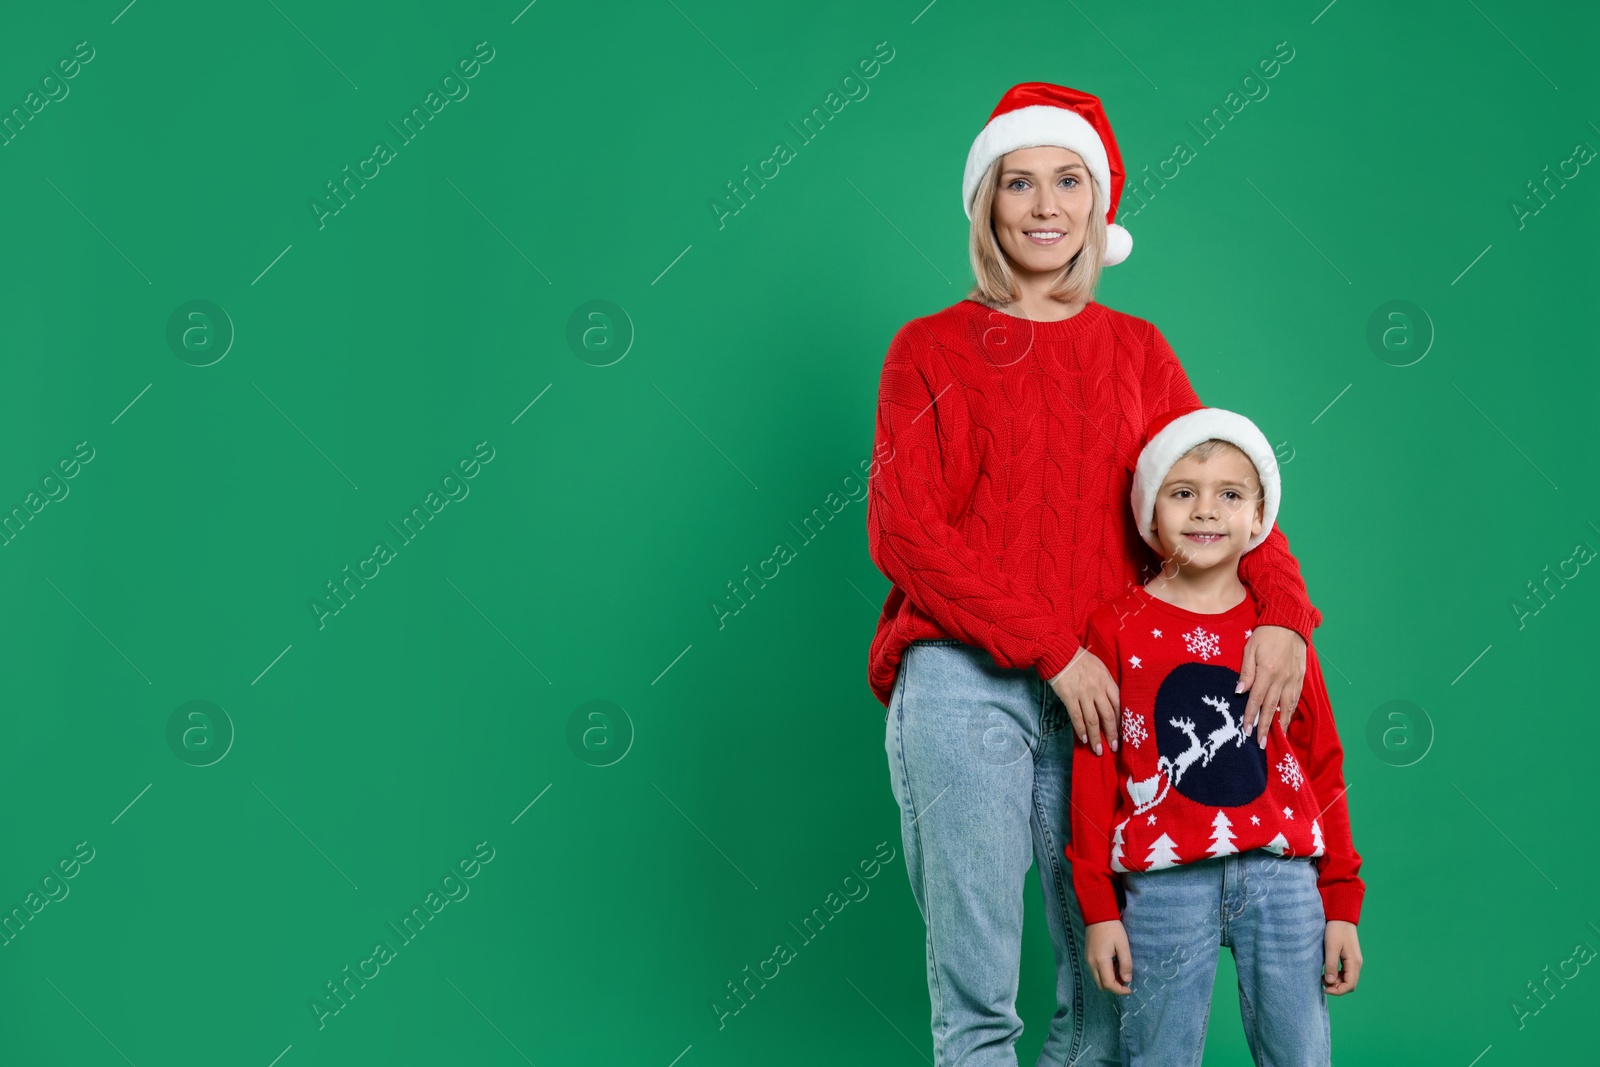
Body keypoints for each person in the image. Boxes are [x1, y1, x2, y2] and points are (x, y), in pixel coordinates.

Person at [868, 82, 1324, 1067]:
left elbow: (1223, 489)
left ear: (1099, 202)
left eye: (1067, 180)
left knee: (1114, 993)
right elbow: (904, 531)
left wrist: (1284, 612)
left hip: (1115, 695)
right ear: (986, 202)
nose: (1043, 206)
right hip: (964, 682)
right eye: (1018, 182)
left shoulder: (1138, 351)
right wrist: (1048, 647)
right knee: (979, 993)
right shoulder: (928, 348)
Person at [1066, 405, 1364, 1065]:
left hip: (1283, 877)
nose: (1206, 511)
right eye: (1183, 493)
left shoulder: (1281, 635)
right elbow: (1093, 769)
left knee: (1301, 1054)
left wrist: (1341, 899)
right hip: (1164, 880)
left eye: (1230, 494)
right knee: (1159, 1054)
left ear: (1259, 516)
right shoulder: (1113, 627)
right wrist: (1098, 906)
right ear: (1150, 512)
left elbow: (1323, 761)